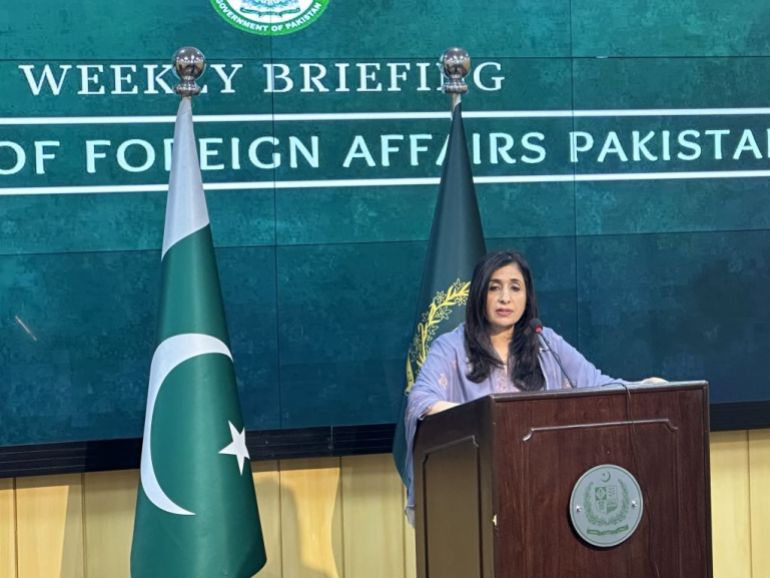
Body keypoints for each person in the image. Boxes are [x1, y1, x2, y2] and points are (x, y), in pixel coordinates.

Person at [403, 249, 659, 523]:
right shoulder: (451, 346)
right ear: (479, 294)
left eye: (515, 288)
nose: (505, 298)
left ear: (527, 297)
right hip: (474, 487)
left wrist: (643, 386)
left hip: (544, 485)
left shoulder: (546, 342)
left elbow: (596, 385)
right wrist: (484, 416)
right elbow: (421, 400)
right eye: (494, 288)